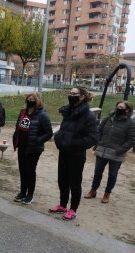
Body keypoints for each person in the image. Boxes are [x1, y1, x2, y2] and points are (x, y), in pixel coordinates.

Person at [51, 87, 98, 220]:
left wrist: (72, 143)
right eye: (70, 93)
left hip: (76, 154)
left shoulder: (88, 115)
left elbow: (93, 138)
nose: (71, 95)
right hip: (64, 152)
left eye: (74, 94)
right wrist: (58, 138)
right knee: (62, 180)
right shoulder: (68, 111)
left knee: (74, 182)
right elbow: (64, 130)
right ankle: (62, 205)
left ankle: (73, 209)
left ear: (82, 97)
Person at [84, 101, 135, 203]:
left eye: (121, 107)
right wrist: (98, 143)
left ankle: (107, 194)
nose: (118, 108)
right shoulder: (108, 119)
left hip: (117, 154)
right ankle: (93, 190)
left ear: (128, 110)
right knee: (97, 172)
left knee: (112, 175)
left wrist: (119, 150)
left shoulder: (130, 123)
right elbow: (99, 131)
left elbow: (131, 140)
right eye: (118, 106)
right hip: (102, 150)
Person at [12, 93, 53, 204]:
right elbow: (18, 126)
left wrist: (37, 141)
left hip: (33, 148)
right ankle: (22, 192)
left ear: (37, 101)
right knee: (22, 170)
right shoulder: (22, 112)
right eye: (28, 99)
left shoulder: (42, 115)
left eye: (32, 99)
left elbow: (49, 133)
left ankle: (30, 195)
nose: (30, 100)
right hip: (21, 145)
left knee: (30, 170)